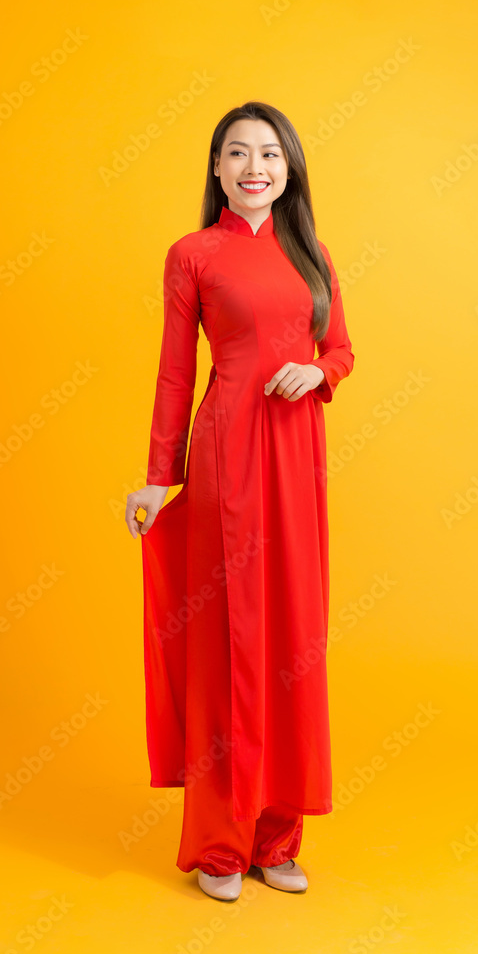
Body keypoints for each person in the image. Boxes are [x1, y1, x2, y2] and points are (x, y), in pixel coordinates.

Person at [125, 100, 354, 901]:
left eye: (269, 154)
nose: (254, 166)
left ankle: (276, 837)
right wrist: (161, 475)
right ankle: (221, 845)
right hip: (227, 453)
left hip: (297, 457)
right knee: (230, 638)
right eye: (236, 154)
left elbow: (343, 349)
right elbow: (173, 372)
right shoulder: (192, 254)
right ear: (216, 169)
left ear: (288, 168)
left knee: (293, 632)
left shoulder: (310, 249)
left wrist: (317, 374)